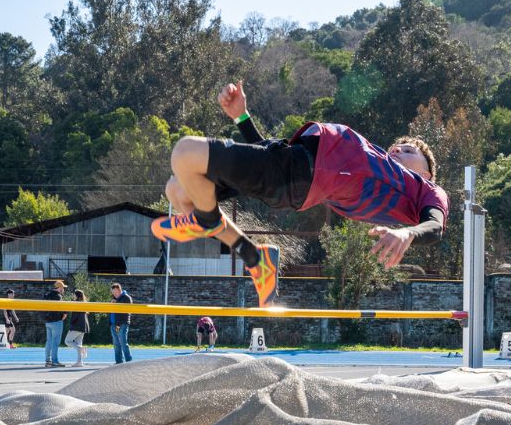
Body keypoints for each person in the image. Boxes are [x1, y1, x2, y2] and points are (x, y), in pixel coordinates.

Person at [152, 80, 448, 307]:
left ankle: (215, 228)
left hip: (303, 174)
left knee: (184, 151)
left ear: (428, 174)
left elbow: (435, 226)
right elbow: (268, 155)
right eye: (397, 146)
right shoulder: (376, 161)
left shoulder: (427, 189)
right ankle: (253, 255)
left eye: (409, 151)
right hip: (291, 167)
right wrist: (242, 118)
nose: (397, 149)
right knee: (177, 191)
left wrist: (407, 234)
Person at [43, 280, 67, 367]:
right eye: (63, 288)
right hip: (57, 321)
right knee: (55, 342)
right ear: (59, 288)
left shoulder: (47, 295)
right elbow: (62, 308)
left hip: (48, 321)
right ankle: (55, 361)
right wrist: (65, 313)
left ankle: (47, 360)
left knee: (49, 341)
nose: (63, 289)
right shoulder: (58, 296)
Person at [65, 289, 90, 367]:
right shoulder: (84, 303)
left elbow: (74, 317)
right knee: (78, 343)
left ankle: (81, 349)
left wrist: (71, 326)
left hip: (77, 326)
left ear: (77, 296)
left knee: (67, 341)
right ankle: (79, 362)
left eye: (74, 295)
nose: (73, 296)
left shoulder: (77, 304)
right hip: (83, 327)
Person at [109, 282, 133, 363]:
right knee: (116, 344)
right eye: (113, 293)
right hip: (113, 324)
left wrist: (116, 304)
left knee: (123, 343)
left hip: (122, 323)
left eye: (115, 292)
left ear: (120, 290)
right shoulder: (114, 299)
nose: (114, 294)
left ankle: (129, 361)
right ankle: (119, 362)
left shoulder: (126, 298)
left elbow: (127, 311)